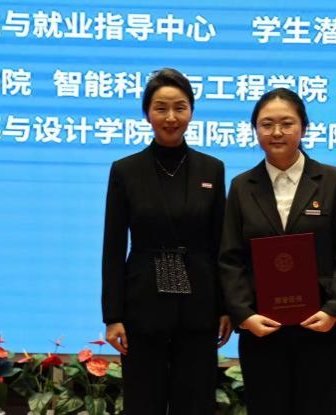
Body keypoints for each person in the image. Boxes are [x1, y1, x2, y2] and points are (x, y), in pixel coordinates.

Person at [219, 88, 336, 415]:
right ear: (255, 130)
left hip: (320, 326)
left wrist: (335, 310)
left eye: (287, 123)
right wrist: (244, 314)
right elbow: (230, 257)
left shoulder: (332, 180)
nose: (276, 132)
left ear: (304, 128)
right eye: (266, 124)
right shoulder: (242, 186)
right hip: (262, 327)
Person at [102, 68, 231, 415]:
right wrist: (113, 316)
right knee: (144, 401)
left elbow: (221, 244)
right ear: (147, 114)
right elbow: (113, 247)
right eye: (161, 108)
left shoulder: (212, 169)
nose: (171, 117)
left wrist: (225, 307)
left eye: (180, 107)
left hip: (200, 306)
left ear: (191, 112)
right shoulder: (125, 170)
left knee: (196, 402)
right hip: (143, 305)